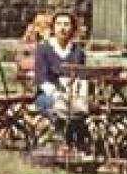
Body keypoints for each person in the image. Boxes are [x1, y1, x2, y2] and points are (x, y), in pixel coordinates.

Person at [33, 11, 88, 149]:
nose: (62, 28)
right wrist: (57, 94)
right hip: (47, 96)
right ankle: (61, 142)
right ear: (53, 28)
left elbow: (80, 77)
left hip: (73, 96)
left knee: (79, 111)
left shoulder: (78, 52)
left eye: (66, 24)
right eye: (59, 24)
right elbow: (41, 78)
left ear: (73, 29)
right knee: (59, 108)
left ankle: (76, 144)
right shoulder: (43, 49)